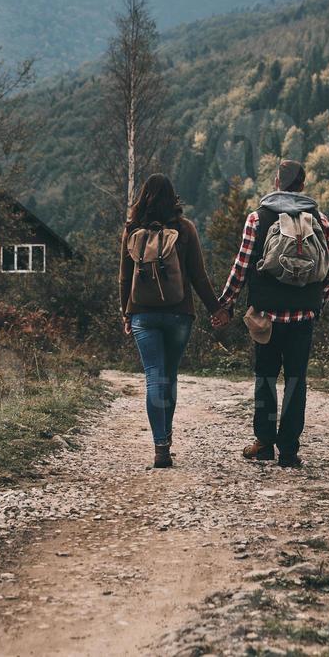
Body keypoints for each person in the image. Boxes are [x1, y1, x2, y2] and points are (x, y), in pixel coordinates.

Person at [215, 159, 329, 468]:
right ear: (303, 184)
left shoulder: (258, 218)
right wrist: (315, 304)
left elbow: (241, 267)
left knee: (266, 378)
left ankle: (264, 443)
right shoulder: (320, 220)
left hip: (266, 318)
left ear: (276, 182)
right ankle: (289, 450)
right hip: (303, 318)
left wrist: (226, 303)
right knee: (297, 380)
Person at [120, 174, 229, 468]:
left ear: (143, 197)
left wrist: (125, 312)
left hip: (142, 313)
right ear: (173, 198)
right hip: (179, 313)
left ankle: (160, 447)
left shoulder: (132, 229)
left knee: (154, 375)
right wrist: (216, 309)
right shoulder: (185, 229)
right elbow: (198, 276)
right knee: (170, 374)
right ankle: (167, 436)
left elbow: (124, 277)